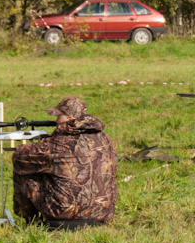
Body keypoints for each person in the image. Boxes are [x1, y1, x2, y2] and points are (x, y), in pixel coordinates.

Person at [12, 96, 117, 229]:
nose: (56, 120)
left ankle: (31, 221)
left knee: (25, 170)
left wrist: (37, 143)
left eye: (59, 116)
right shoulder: (105, 139)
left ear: (69, 118)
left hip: (64, 213)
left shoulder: (58, 143)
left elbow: (19, 156)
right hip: (103, 212)